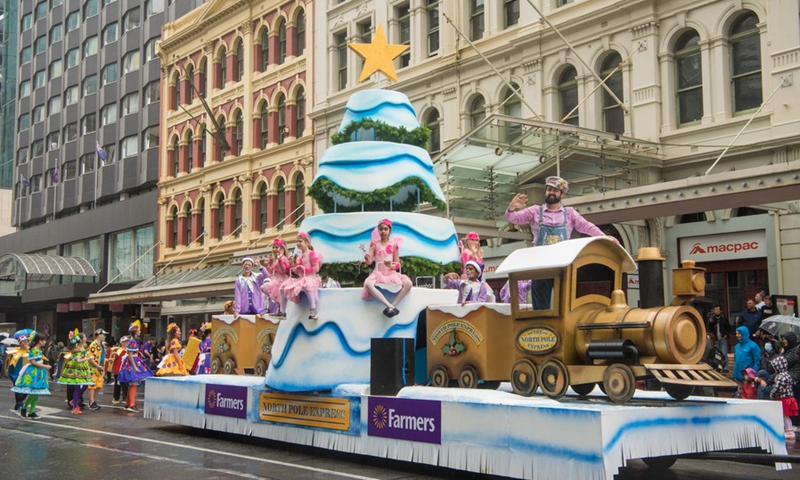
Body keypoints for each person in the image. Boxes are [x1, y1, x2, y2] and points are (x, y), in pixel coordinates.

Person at [505, 176, 613, 309]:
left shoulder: (569, 213)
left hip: (562, 265)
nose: (551, 192)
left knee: (565, 304)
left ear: (561, 194)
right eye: (549, 189)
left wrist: (604, 237)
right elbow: (512, 218)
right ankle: (542, 327)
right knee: (540, 307)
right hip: (540, 266)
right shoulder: (534, 211)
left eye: (555, 190)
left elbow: (587, 226)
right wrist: (512, 207)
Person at [362, 219, 413, 318]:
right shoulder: (374, 244)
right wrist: (367, 258)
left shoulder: (394, 244)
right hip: (378, 273)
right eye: (381, 229)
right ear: (378, 231)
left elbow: (397, 264)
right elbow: (369, 262)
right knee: (368, 284)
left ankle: (393, 305)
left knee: (409, 283)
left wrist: (390, 265)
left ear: (389, 230)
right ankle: (389, 305)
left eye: (385, 229)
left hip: (390, 273)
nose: (383, 231)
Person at [282, 232, 323, 320]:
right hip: (302, 278)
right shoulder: (299, 255)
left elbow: (316, 268)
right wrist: (292, 264)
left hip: (311, 278)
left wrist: (305, 269)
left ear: (307, 242)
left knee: (307, 285)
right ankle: (282, 311)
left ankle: (313, 310)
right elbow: (297, 272)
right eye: (297, 241)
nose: (298, 243)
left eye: (300, 241)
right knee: (284, 286)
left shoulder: (311, 253)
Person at [12, 332, 52, 419]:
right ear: (39, 341)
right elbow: (33, 362)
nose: (45, 342)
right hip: (34, 372)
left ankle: (31, 411)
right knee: (35, 392)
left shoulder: (38, 350)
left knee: (36, 393)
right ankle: (26, 408)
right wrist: (45, 366)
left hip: (39, 371)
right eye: (44, 340)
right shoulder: (34, 350)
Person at [58, 330, 97, 415]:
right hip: (75, 368)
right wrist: (88, 359)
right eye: (85, 337)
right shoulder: (76, 349)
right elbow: (78, 360)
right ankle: (75, 406)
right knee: (77, 387)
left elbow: (85, 356)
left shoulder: (84, 347)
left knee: (86, 385)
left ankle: (74, 400)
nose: (86, 338)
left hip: (82, 368)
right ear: (81, 339)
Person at [118, 339, 154, 412]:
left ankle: (128, 404)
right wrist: (135, 367)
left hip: (133, 363)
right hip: (133, 364)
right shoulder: (132, 341)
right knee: (134, 384)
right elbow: (130, 355)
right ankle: (131, 404)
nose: (139, 331)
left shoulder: (132, 341)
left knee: (133, 384)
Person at [770, 356, 798, 441]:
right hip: (788, 398)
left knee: (784, 415)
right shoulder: (787, 375)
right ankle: (788, 430)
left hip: (784, 398)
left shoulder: (780, 377)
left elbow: (778, 388)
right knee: (785, 416)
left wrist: (772, 394)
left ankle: (789, 431)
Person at [265, 238, 291, 318]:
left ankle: (281, 310)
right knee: (264, 288)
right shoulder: (276, 259)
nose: (274, 249)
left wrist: (280, 262)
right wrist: (267, 265)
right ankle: (280, 307)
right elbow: (271, 272)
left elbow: (283, 270)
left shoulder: (283, 258)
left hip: (283, 280)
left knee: (276, 292)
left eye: (276, 247)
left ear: (282, 248)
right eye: (273, 247)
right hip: (276, 279)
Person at [732, 326, 761, 398]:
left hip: (748, 378)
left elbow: (757, 361)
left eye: (739, 333)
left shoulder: (753, 346)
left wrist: (752, 375)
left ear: (744, 334)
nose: (737, 335)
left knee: (748, 396)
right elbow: (736, 360)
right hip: (738, 377)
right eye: (736, 333)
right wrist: (734, 373)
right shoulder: (737, 346)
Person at [7, 335, 31, 414]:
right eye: (23, 342)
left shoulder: (30, 352)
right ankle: (19, 403)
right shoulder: (15, 353)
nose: (25, 343)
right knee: (18, 390)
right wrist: (11, 375)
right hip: (16, 375)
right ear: (20, 343)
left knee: (27, 391)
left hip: (28, 375)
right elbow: (11, 365)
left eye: (27, 342)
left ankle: (19, 402)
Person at [86, 329, 108, 411]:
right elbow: (90, 358)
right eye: (103, 335)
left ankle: (93, 400)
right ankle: (91, 401)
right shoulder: (93, 345)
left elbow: (101, 356)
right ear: (99, 335)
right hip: (93, 368)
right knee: (92, 385)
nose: (104, 336)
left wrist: (107, 360)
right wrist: (97, 366)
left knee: (99, 385)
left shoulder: (101, 345)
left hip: (100, 368)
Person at [707, 305, 732, 372]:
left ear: (720, 311)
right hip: (716, 339)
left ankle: (725, 368)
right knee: (717, 354)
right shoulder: (713, 319)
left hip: (723, 338)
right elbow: (710, 329)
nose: (716, 311)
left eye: (717, 309)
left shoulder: (724, 319)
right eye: (715, 309)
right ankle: (718, 367)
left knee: (724, 353)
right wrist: (710, 322)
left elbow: (729, 329)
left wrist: (726, 335)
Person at [109, 336, 130, 405]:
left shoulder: (128, 350)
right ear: (121, 342)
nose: (126, 343)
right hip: (118, 370)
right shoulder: (118, 350)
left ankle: (125, 398)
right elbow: (114, 359)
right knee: (117, 385)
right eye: (124, 341)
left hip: (126, 370)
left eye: (127, 341)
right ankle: (116, 398)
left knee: (125, 384)